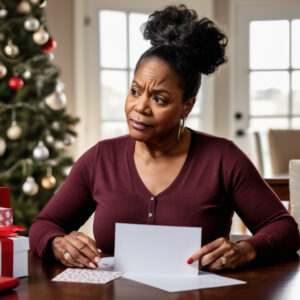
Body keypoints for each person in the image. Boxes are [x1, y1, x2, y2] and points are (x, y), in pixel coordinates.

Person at [29, 5, 299, 271]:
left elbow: (285, 229)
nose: (140, 107)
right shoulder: (101, 158)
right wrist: (56, 243)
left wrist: (246, 249)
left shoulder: (223, 159)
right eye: (135, 91)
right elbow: (44, 225)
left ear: (187, 106)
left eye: (159, 99)